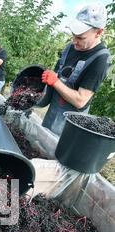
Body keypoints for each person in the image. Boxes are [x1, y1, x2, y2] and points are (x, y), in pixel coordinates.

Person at [40, 3, 111, 136]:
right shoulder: (70, 47)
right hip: (52, 112)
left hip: (68, 125)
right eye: (73, 35)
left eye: (80, 37)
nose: (74, 41)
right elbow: (56, 74)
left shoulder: (101, 59)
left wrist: (55, 82)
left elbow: (80, 100)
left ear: (99, 32)